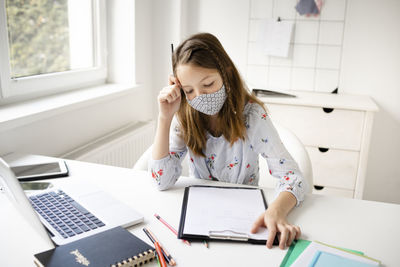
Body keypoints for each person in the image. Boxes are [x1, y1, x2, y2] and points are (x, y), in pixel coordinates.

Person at [150, 32, 307, 250]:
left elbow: (293, 177)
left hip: (245, 222)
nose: (200, 95)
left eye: (208, 84)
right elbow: (162, 181)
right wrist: (164, 118)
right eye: (189, 90)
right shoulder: (185, 116)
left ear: (226, 73)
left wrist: (276, 210)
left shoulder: (252, 116)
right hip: (201, 221)